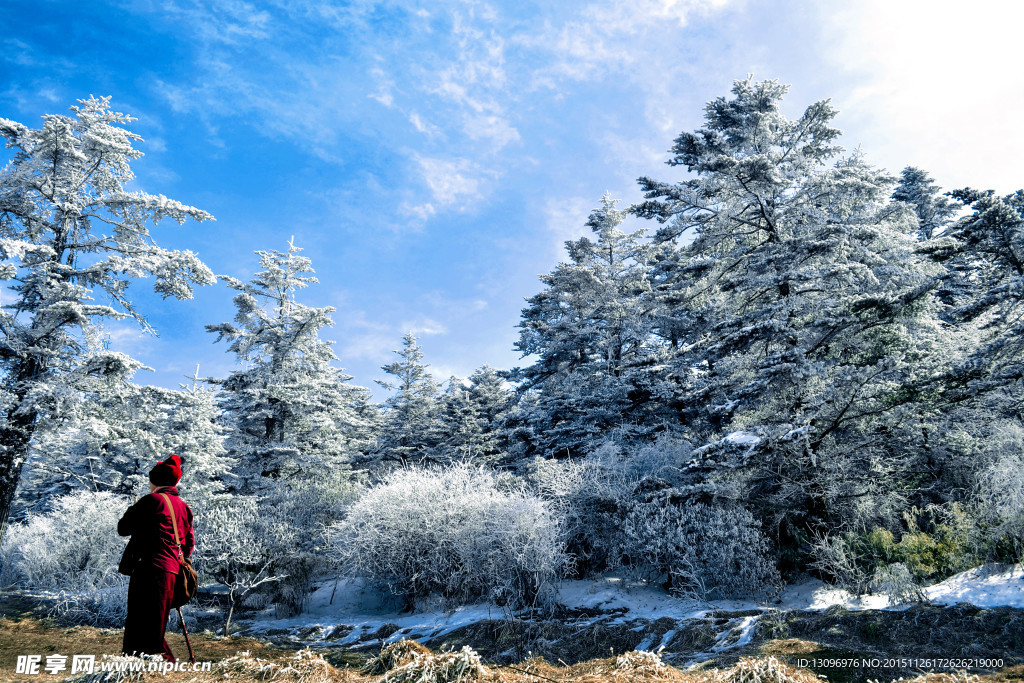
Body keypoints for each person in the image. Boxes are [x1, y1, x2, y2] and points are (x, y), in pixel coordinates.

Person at [117, 454, 194, 661]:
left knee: (139, 620)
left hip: (147, 569)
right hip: (171, 571)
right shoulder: (184, 507)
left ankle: (145, 663)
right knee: (155, 621)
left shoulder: (150, 501)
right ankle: (152, 662)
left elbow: (123, 528)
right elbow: (188, 545)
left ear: (154, 481)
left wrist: (134, 508)